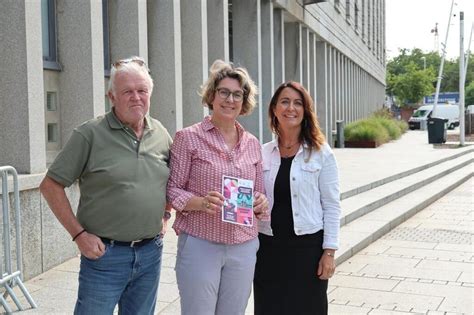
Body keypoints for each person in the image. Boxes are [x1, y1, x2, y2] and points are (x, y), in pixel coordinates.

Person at [39, 56, 172, 315]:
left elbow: (173, 179)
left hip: (150, 255)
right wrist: (79, 235)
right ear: (112, 96)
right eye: (127, 92)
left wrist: (166, 214)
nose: (136, 97)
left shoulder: (160, 133)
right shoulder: (89, 134)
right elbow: (50, 185)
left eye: (142, 90)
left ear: (150, 94)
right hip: (104, 257)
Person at [167, 59, 269, 315]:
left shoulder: (253, 143)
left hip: (243, 246)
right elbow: (172, 189)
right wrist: (200, 202)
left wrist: (260, 202)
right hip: (201, 243)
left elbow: (260, 193)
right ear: (212, 95)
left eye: (237, 94)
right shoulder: (188, 137)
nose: (230, 99)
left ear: (244, 101)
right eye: (224, 92)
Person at [253, 81, 341, 315]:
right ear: (274, 109)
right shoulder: (261, 153)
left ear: (305, 111)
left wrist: (329, 252)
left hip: (308, 251)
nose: (290, 108)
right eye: (284, 101)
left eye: (297, 103)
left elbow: (332, 206)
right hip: (268, 249)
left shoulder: (321, 153)